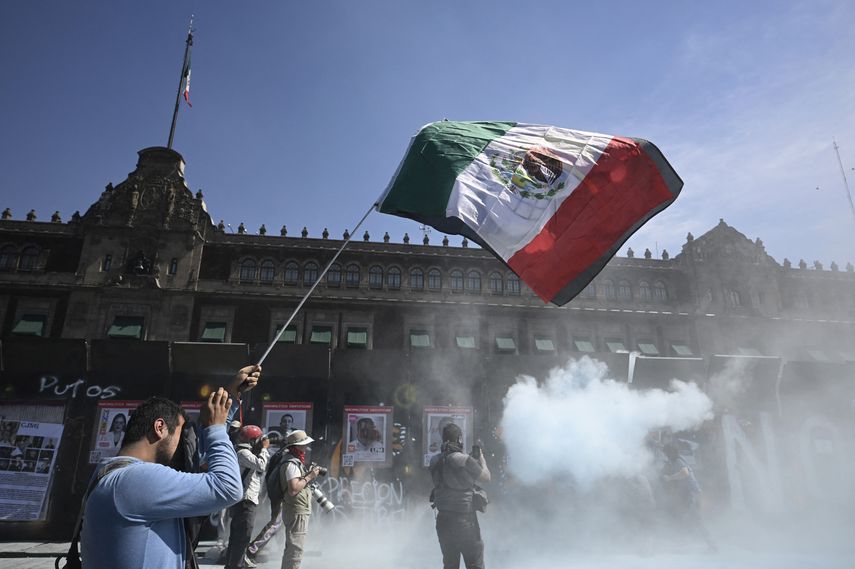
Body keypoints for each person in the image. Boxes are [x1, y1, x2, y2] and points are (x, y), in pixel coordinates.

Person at [80, 365, 262, 569]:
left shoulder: (112, 474)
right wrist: (216, 428)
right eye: (181, 435)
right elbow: (227, 488)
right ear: (160, 428)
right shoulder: (135, 480)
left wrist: (229, 398)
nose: (185, 447)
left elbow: (195, 456)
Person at [429, 422, 490, 569]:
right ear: (459, 439)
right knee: (474, 563)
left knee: (450, 564)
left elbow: (450, 476)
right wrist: (482, 461)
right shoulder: (463, 459)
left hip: (443, 519)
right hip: (464, 519)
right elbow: (486, 477)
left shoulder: (434, 460)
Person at [224, 425, 270, 569]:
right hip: (246, 501)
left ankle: (233, 564)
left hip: (244, 499)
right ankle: (236, 565)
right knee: (242, 537)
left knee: (237, 536)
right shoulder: (243, 452)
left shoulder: (244, 451)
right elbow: (261, 465)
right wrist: (264, 448)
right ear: (253, 439)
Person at [279, 429, 324, 569]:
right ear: (296, 446)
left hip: (295, 509)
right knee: (295, 549)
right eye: (303, 445)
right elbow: (293, 489)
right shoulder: (292, 464)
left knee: (293, 547)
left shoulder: (291, 461)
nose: (306, 448)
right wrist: (310, 476)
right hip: (296, 510)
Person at [661, 443, 716, 552]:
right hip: (687, 494)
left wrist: (670, 478)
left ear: (670, 452)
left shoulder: (678, 461)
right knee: (683, 516)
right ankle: (683, 541)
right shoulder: (673, 461)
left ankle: (712, 545)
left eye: (666, 453)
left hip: (692, 494)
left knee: (696, 519)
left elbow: (684, 473)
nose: (665, 455)